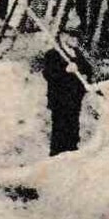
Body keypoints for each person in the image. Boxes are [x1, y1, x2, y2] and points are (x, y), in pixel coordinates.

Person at [42, 22, 94, 156]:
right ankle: (57, 156)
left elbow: (88, 69)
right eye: (73, 37)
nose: (77, 40)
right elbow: (49, 74)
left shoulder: (77, 54)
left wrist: (83, 72)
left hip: (75, 98)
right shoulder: (53, 54)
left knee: (73, 127)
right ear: (63, 37)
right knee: (60, 128)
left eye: (77, 37)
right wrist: (65, 70)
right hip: (60, 99)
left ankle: (71, 154)